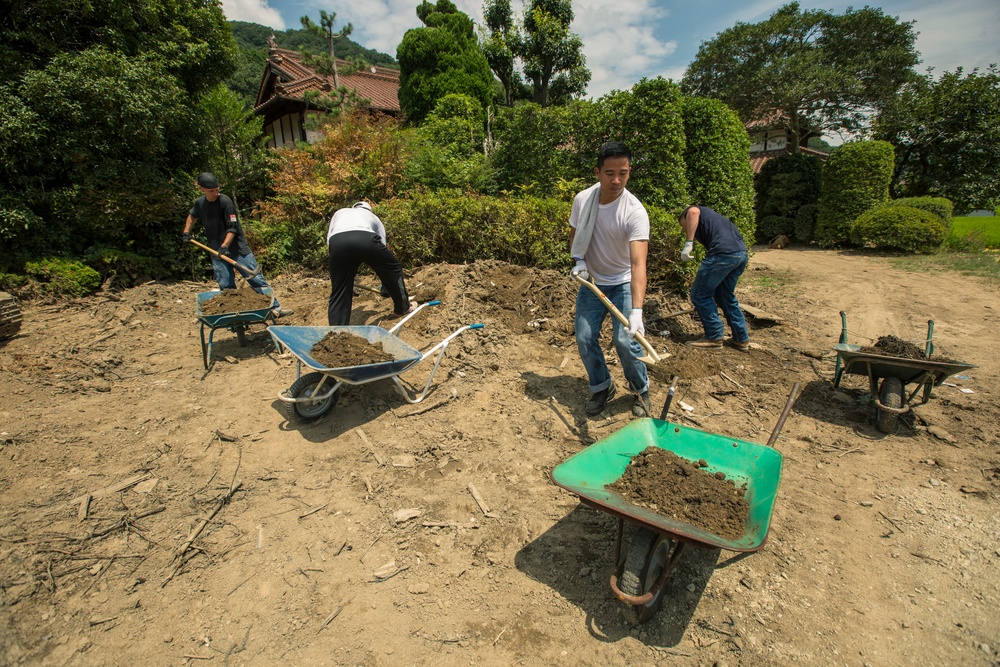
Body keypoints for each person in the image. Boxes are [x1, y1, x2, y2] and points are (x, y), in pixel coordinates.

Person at [569, 141, 651, 418]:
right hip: (593, 281)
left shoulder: (634, 211)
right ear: (597, 172)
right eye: (609, 173)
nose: (617, 180)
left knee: (626, 341)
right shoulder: (583, 200)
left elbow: (639, 264)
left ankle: (641, 390)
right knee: (584, 337)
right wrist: (578, 259)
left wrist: (637, 310)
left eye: (623, 173)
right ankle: (602, 386)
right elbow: (574, 232)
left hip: (624, 282)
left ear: (629, 172)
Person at [182, 172, 292, 317]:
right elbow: (192, 215)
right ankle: (233, 317)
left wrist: (225, 246)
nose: (215, 193)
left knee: (255, 278)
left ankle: (274, 308)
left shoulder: (225, 202)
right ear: (201, 188)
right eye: (211, 191)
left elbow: (232, 228)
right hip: (216, 251)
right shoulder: (199, 203)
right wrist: (186, 232)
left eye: (216, 189)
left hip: (238, 249)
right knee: (225, 285)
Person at [326, 201, 412, 326]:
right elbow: (382, 250)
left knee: (340, 289)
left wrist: (342, 276)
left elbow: (330, 243)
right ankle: (402, 308)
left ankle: (337, 330)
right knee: (393, 268)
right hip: (364, 239)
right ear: (369, 210)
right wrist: (386, 285)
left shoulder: (339, 213)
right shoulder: (373, 217)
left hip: (338, 242)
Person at [678, 205, 750, 351]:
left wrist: (688, 243)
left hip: (722, 254)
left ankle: (714, 336)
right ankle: (741, 338)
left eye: (683, 226)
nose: (684, 230)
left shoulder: (694, 212)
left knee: (700, 295)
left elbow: (693, 211)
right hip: (741, 254)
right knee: (725, 295)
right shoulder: (717, 220)